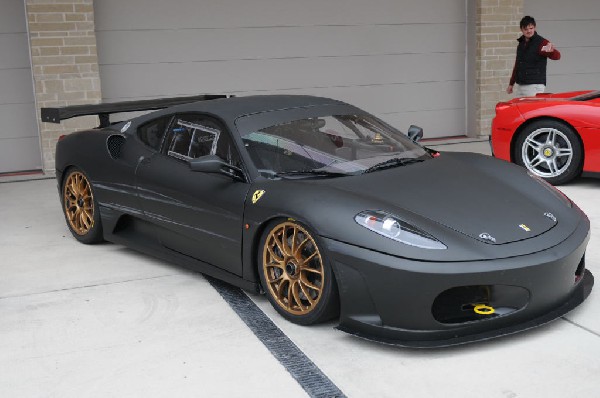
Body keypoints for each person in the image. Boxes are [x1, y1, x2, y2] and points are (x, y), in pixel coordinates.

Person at [506, 16, 561, 97]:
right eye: (526, 29)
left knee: (532, 109)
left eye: (531, 28)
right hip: (521, 84)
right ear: (521, 29)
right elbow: (517, 65)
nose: (529, 31)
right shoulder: (521, 44)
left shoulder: (541, 42)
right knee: (519, 109)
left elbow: (557, 56)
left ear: (534, 27)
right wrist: (511, 84)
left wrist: (551, 52)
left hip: (535, 86)